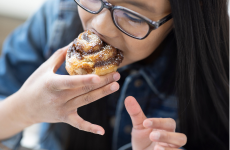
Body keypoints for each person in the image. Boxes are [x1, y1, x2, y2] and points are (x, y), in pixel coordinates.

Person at [0, 0, 228, 150]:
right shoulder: (56, 18)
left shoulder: (219, 65)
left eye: (133, 16)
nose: (101, 27)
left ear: (181, 21)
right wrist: (24, 109)